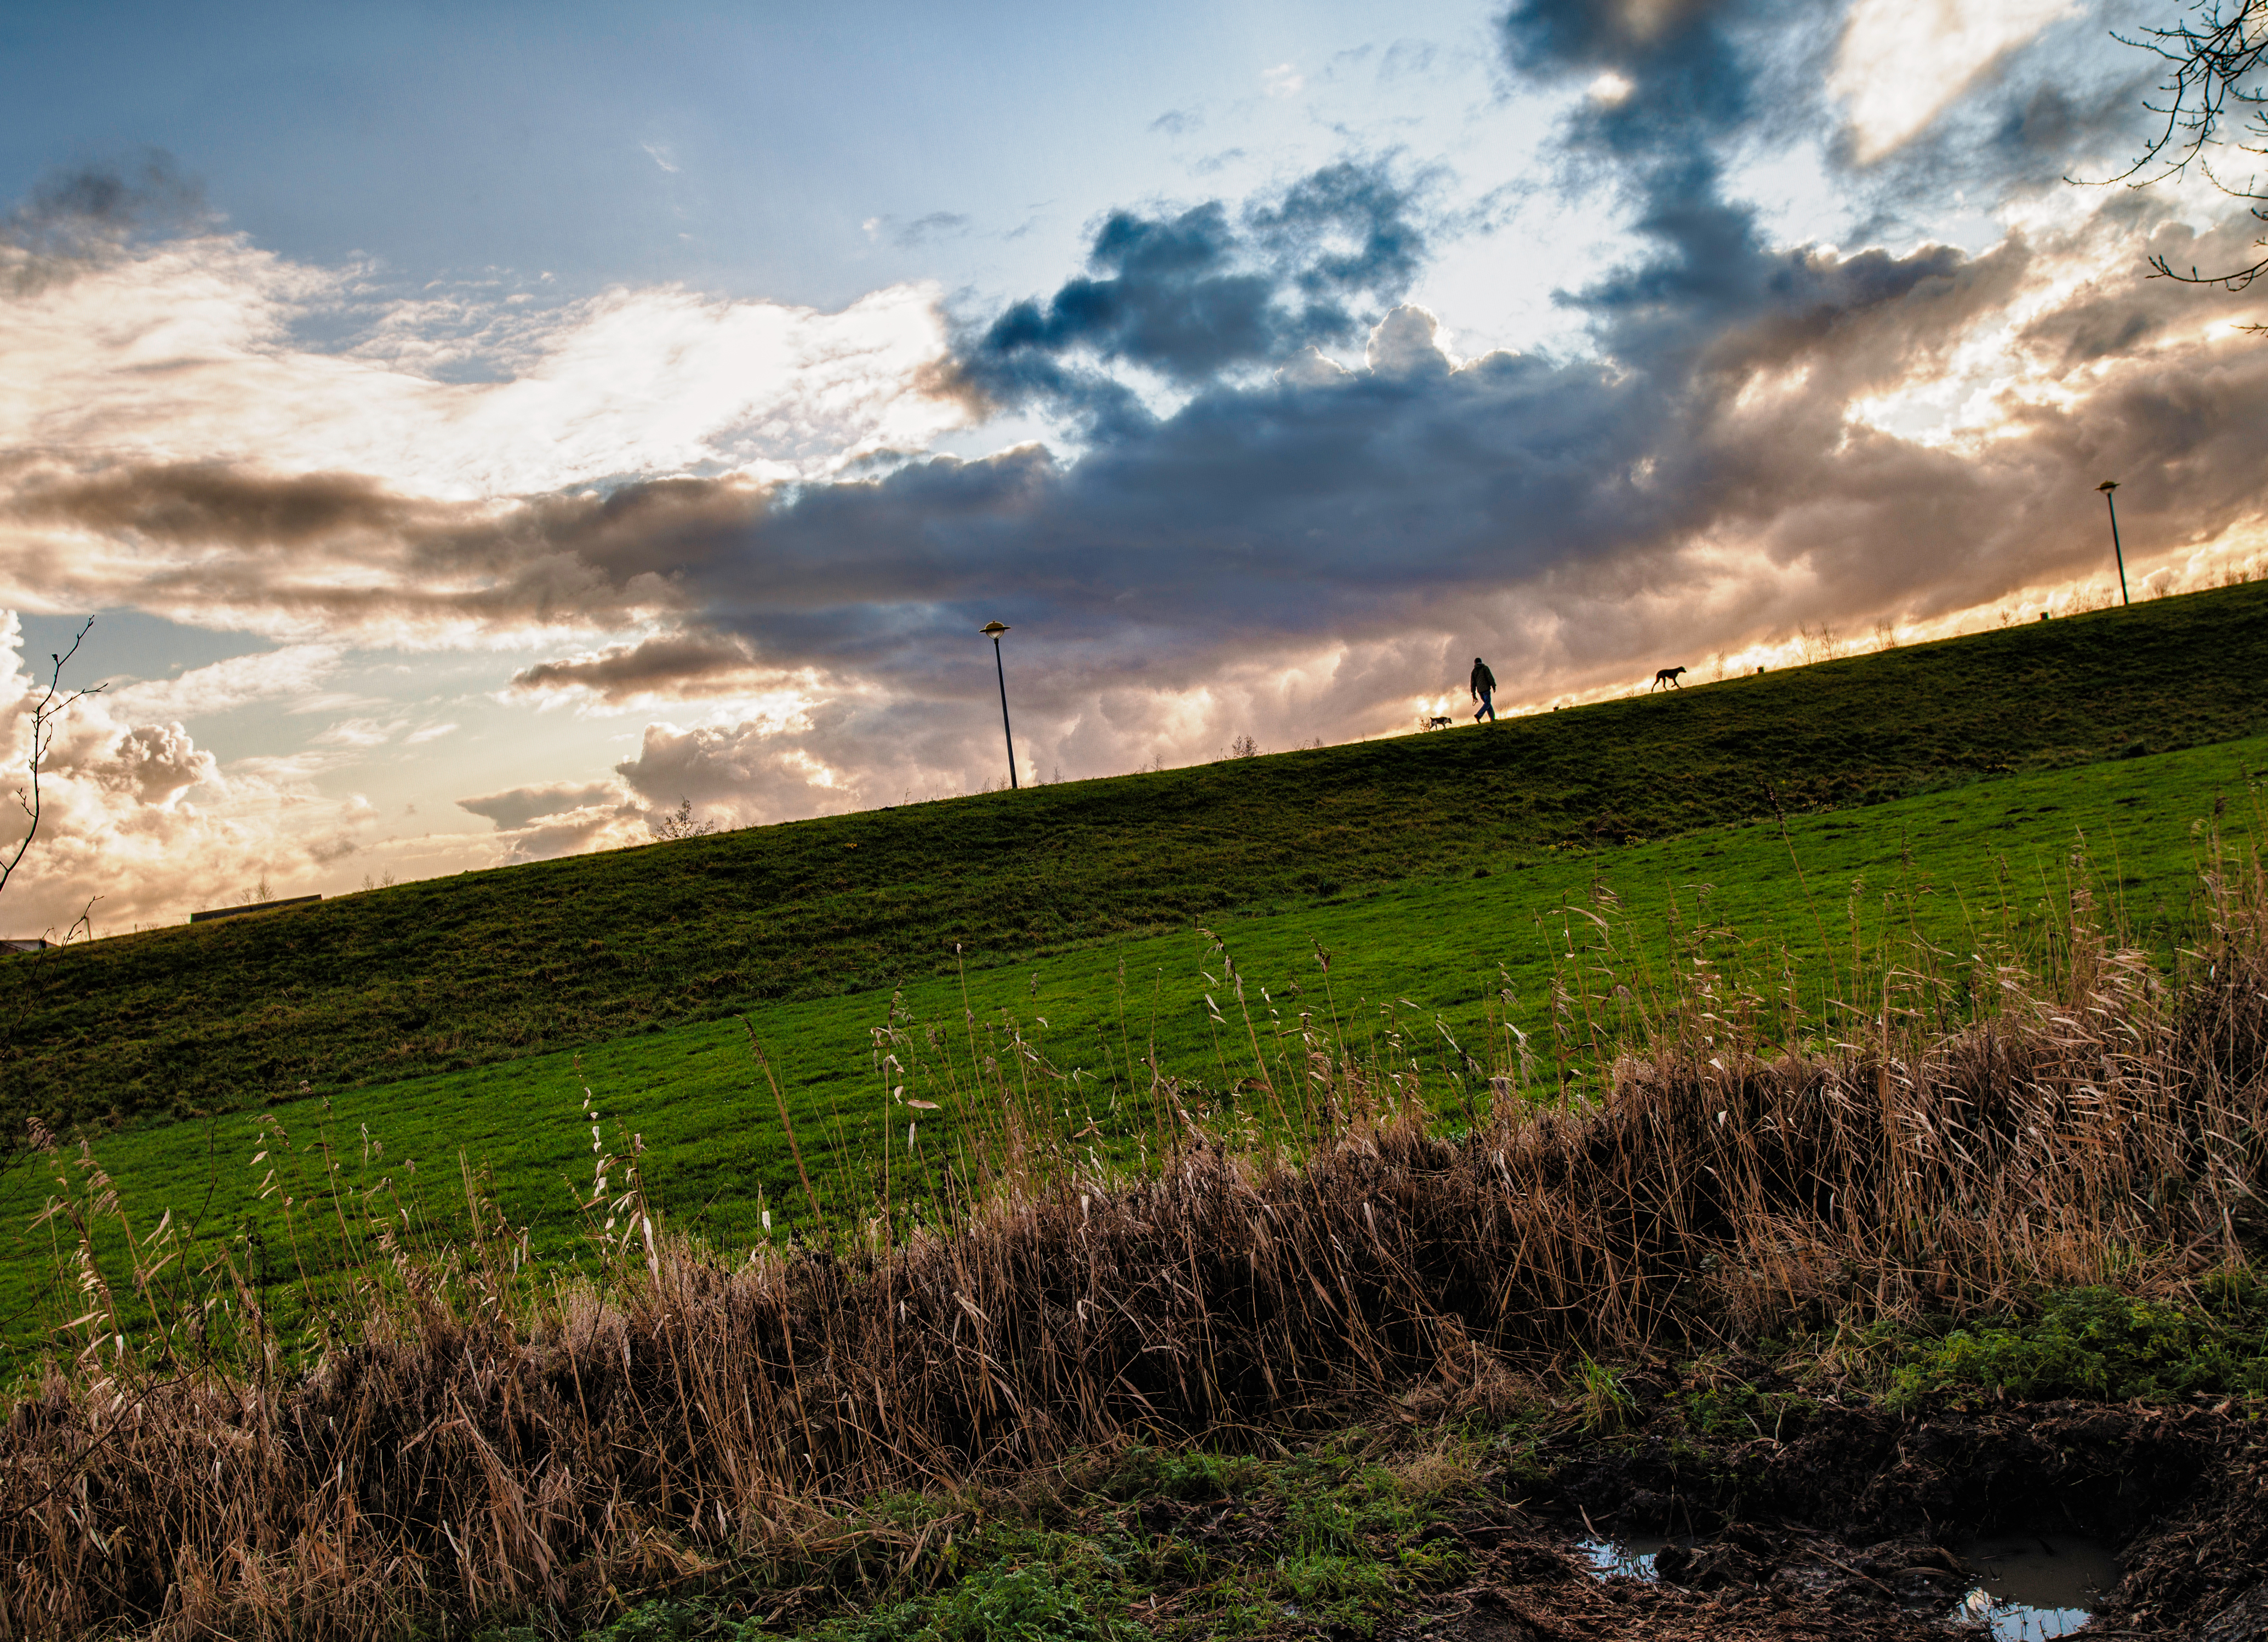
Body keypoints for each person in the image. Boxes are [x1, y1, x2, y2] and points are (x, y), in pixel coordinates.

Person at [1470, 656, 1496, 722]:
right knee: (1487, 703)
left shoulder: (1474, 672)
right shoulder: (1485, 668)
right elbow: (1489, 677)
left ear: (1475, 663)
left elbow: (1473, 684)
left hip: (1480, 691)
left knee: (1488, 704)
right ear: (1481, 662)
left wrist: (1474, 694)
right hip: (1486, 689)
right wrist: (1493, 685)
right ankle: (1479, 715)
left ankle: (1493, 719)